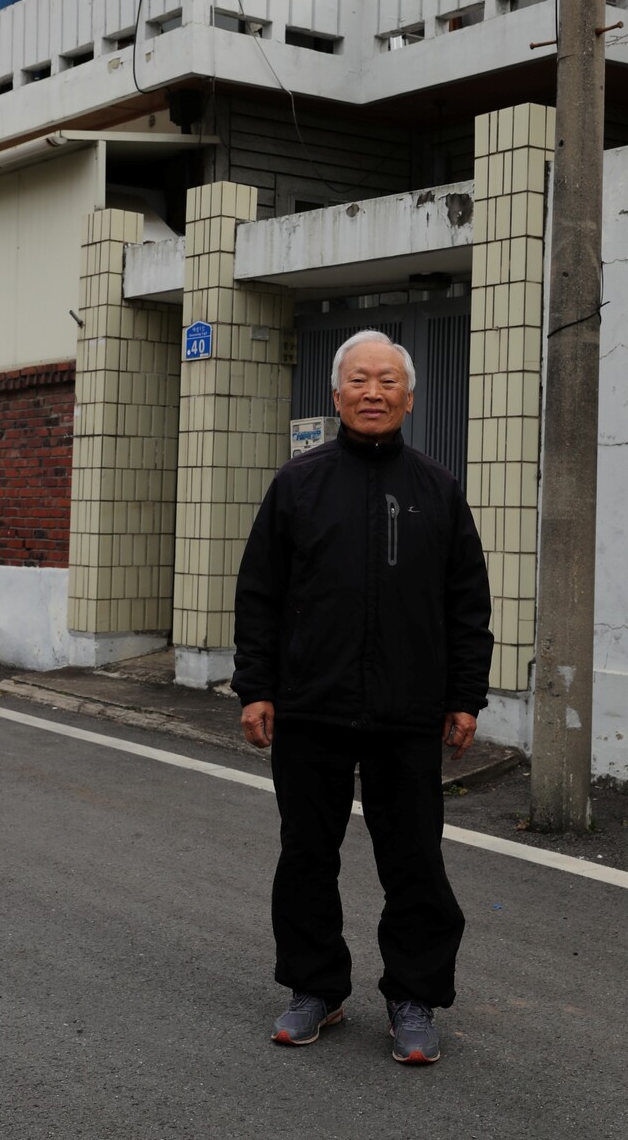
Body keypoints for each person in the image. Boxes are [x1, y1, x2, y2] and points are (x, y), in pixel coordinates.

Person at [232, 329, 494, 1064]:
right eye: (359, 379)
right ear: (336, 392)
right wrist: (256, 685)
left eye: (387, 381)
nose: (372, 392)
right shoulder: (298, 482)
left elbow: (466, 602)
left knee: (414, 861)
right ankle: (316, 986)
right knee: (306, 855)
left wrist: (465, 694)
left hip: (408, 715)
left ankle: (414, 996)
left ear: (409, 397)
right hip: (310, 706)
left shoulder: (437, 489)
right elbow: (261, 594)